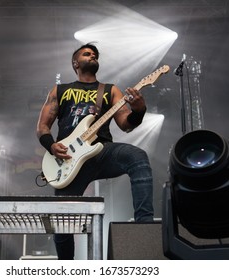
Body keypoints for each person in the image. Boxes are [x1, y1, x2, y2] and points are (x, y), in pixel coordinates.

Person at [36, 43, 154, 259]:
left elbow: (125, 125)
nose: (92, 56)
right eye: (87, 54)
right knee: (62, 227)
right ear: (75, 63)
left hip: (101, 151)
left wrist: (139, 111)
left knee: (138, 157)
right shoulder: (60, 90)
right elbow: (42, 127)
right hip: (68, 158)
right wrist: (52, 146)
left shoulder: (110, 90)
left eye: (95, 55)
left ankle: (144, 227)